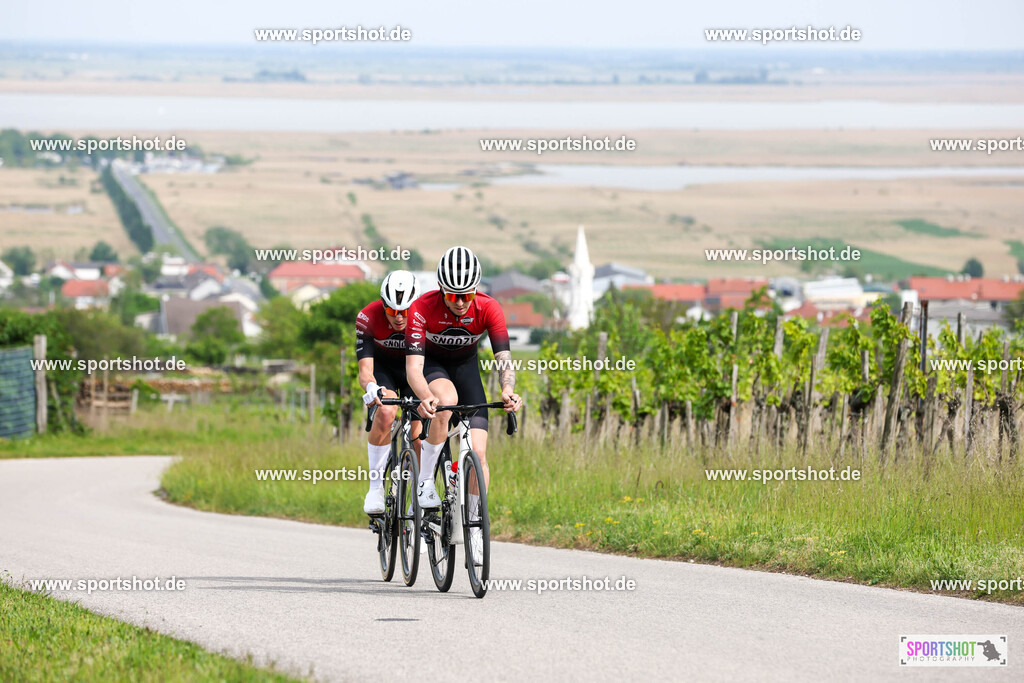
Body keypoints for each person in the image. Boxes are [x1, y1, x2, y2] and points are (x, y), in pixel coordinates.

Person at [405, 246, 521, 562]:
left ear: (475, 292)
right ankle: (425, 482)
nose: (458, 302)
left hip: (468, 370)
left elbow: (504, 360)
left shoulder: (488, 307)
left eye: (465, 296)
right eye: (452, 295)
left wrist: (508, 390)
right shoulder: (421, 308)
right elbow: (413, 367)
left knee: (478, 455)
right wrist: (423, 395)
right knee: (445, 401)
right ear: (441, 289)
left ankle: (474, 529)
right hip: (433, 367)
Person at [356, 270, 421, 515]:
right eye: (393, 311)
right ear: (383, 306)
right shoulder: (368, 316)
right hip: (384, 372)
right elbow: (365, 369)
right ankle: (375, 487)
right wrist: (371, 387)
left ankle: (418, 495)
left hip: (414, 371)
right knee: (385, 412)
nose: (400, 318)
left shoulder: (424, 317)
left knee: (419, 432)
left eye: (405, 311)